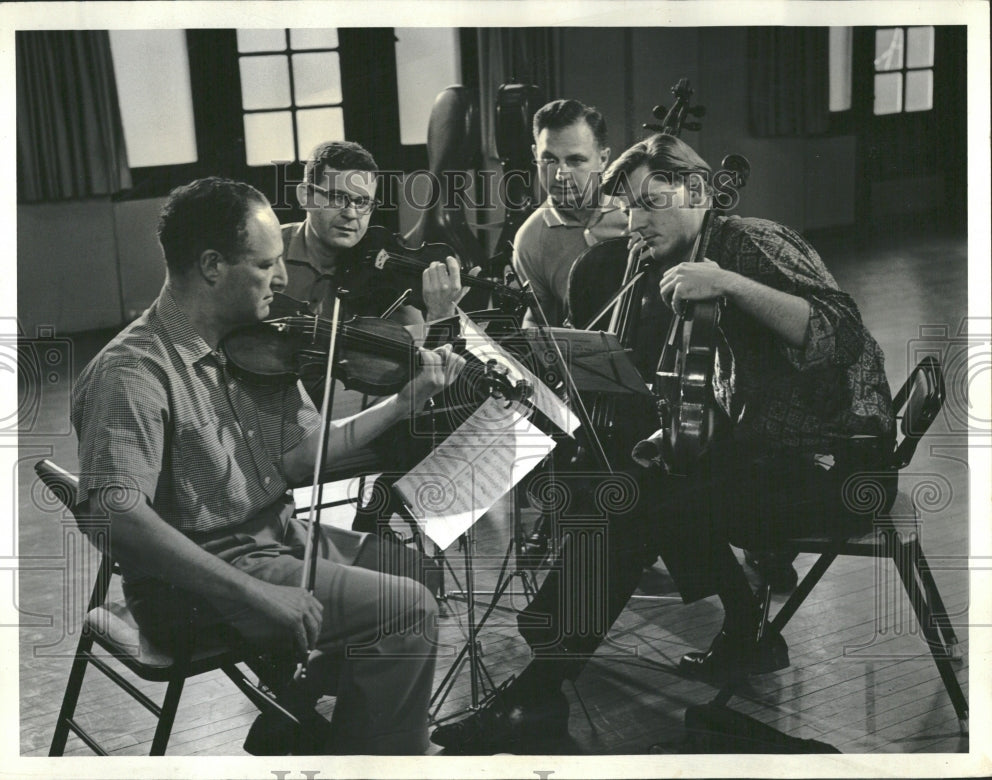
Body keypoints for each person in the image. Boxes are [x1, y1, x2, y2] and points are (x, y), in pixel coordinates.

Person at [431, 133, 897, 753]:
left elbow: (840, 333)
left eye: (652, 203)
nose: (637, 222)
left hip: (841, 471)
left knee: (635, 507)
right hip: (778, 456)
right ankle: (728, 635)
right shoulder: (680, 261)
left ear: (699, 191)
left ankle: (538, 693)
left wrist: (728, 283)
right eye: (629, 208)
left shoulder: (749, 243)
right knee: (645, 478)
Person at [71, 177, 465, 755]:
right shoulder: (132, 373)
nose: (283, 279)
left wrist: (401, 404)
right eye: (266, 264)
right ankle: (377, 758)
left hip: (276, 537)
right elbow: (117, 521)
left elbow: (301, 459)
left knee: (418, 574)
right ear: (211, 265)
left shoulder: (255, 343)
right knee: (407, 610)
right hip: (194, 585)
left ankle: (315, 719)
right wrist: (258, 594)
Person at [278, 140, 465, 327]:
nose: (351, 214)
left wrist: (441, 313)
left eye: (363, 202)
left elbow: (417, 350)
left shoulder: (383, 276)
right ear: (305, 196)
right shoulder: (267, 252)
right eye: (336, 198)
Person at [510, 99, 626, 329]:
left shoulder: (636, 211)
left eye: (575, 160)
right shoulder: (530, 240)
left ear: (603, 159)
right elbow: (537, 319)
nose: (561, 174)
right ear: (535, 153)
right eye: (549, 160)